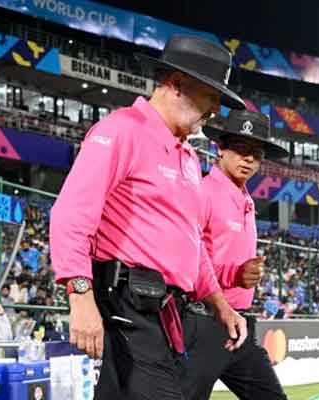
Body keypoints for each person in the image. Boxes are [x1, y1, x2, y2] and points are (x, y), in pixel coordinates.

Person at [49, 35, 248, 399]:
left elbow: (192, 243)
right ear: (177, 84)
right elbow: (71, 214)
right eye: (211, 96)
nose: (216, 109)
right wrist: (80, 296)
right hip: (127, 306)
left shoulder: (189, 158)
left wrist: (221, 304)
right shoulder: (122, 130)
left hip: (166, 314)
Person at [183, 110, 288, 400]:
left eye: (256, 153)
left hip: (240, 325)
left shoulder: (245, 200)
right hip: (204, 322)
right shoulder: (202, 192)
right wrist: (235, 274)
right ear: (221, 148)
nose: (248, 159)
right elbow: (187, 259)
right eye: (241, 149)